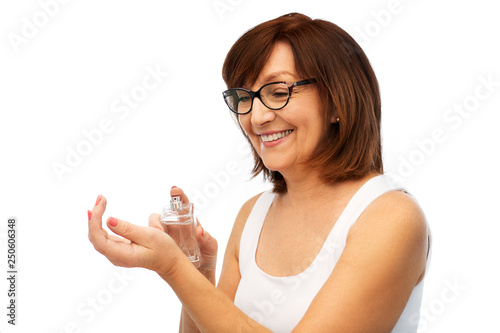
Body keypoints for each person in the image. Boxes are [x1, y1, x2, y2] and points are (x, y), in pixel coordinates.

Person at [88, 13, 431, 332]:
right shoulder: (254, 214)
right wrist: (197, 272)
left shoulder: (391, 217)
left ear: (337, 102)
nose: (256, 117)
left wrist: (174, 270)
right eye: (245, 97)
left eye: (278, 92)